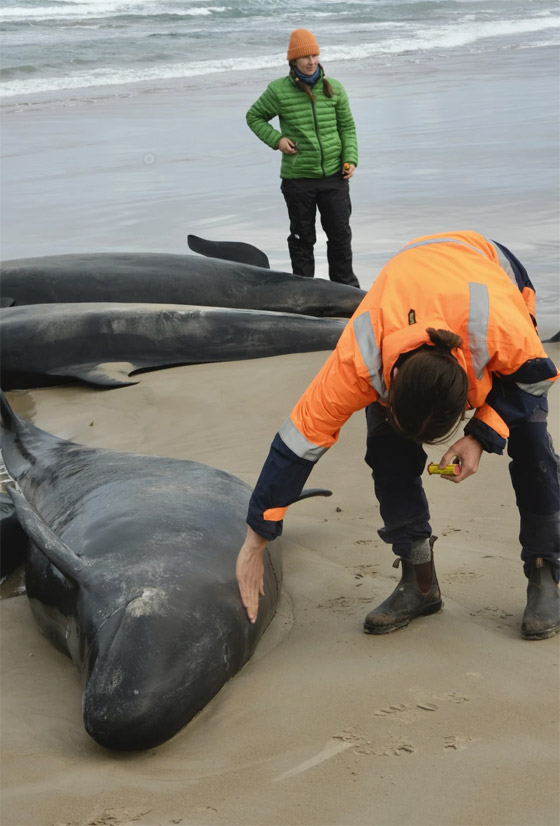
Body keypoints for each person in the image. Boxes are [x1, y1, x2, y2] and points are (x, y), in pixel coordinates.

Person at [236, 230, 560, 641]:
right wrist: (256, 538)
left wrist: (480, 434)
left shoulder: (500, 328)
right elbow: (297, 444)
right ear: (387, 388)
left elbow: (535, 381)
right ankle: (419, 580)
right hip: (409, 291)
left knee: (531, 446)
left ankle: (544, 573)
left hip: (493, 270)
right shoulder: (360, 354)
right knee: (387, 451)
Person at [246, 28, 360, 288]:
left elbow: (348, 128)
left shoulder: (335, 89)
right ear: (293, 61)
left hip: (334, 176)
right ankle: (303, 291)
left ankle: (346, 291)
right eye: (305, 57)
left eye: (315, 55)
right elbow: (254, 117)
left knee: (340, 236)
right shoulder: (278, 91)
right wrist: (277, 140)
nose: (311, 61)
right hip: (299, 180)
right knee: (302, 238)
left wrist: (350, 159)